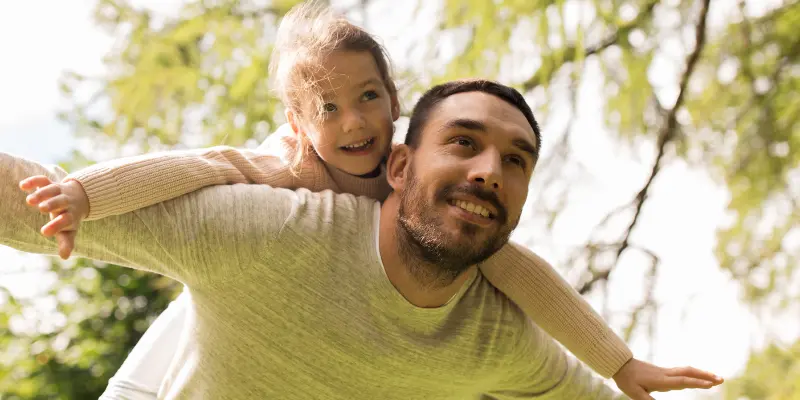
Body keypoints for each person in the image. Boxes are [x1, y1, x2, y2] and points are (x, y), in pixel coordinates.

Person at [5, 4, 722, 400]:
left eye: (369, 99)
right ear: (298, 124)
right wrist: (82, 194)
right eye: (328, 108)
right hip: (217, 312)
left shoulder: (465, 274)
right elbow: (193, 165)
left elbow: (523, 275)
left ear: (395, 105)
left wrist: (621, 363)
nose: (353, 125)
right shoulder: (275, 188)